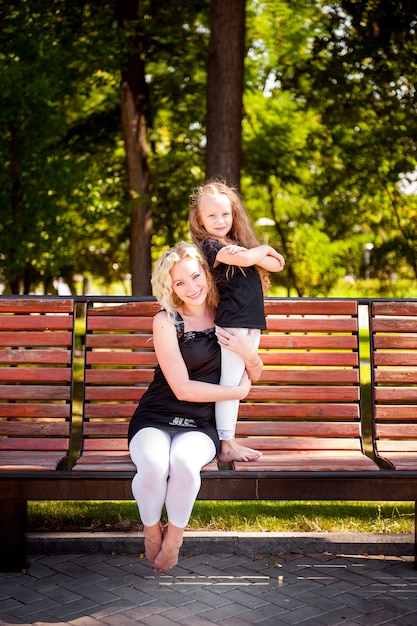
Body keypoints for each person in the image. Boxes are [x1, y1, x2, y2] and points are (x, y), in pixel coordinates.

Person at [128, 241, 263, 573]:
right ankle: (150, 532)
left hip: (202, 424)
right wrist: (234, 392)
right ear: (170, 288)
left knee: (185, 463)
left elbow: (254, 373)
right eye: (180, 283)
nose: (191, 287)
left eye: (195, 276)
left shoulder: (228, 316)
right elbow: (182, 389)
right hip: (155, 417)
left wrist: (248, 356)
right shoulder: (166, 321)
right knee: (154, 465)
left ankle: (174, 539)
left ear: (207, 273)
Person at [190, 180, 285, 463]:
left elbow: (278, 264)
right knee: (230, 384)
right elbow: (248, 260)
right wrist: (262, 250)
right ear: (199, 219)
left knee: (238, 380)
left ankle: (227, 439)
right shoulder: (209, 246)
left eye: (225, 214)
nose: (220, 221)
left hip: (249, 323)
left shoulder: (236, 245)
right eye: (212, 216)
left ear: (234, 214)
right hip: (232, 324)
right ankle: (226, 444)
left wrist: (256, 254)